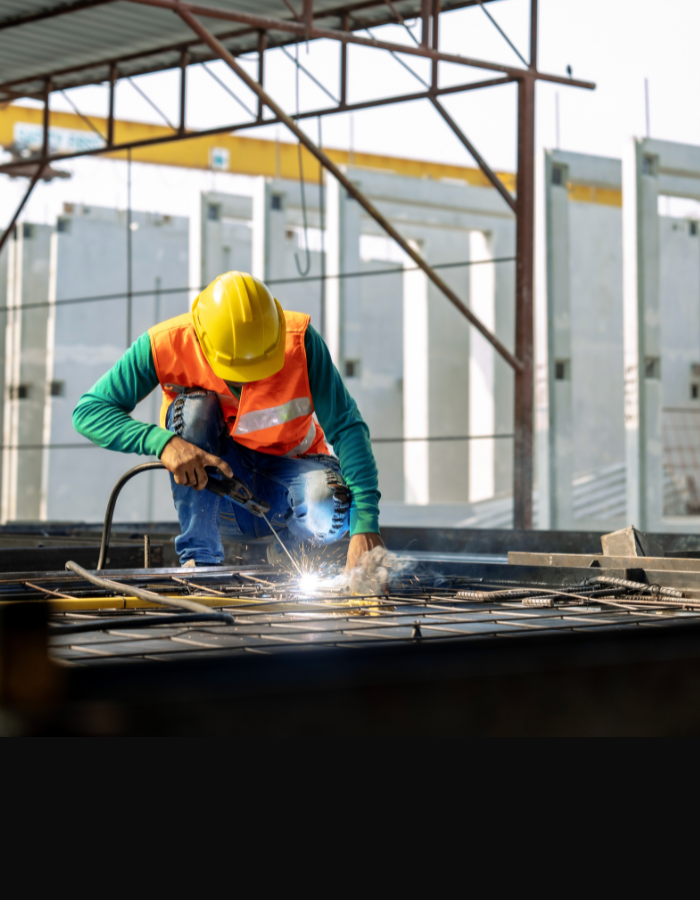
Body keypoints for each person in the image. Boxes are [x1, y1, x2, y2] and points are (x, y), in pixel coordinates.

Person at [73, 270, 384, 569]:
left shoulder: (300, 343)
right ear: (202, 342)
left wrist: (365, 525)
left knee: (327, 502)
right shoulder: (166, 344)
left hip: (291, 489)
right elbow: (89, 411)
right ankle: (200, 560)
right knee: (194, 412)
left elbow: (347, 428)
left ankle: (291, 552)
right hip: (220, 495)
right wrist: (163, 442)